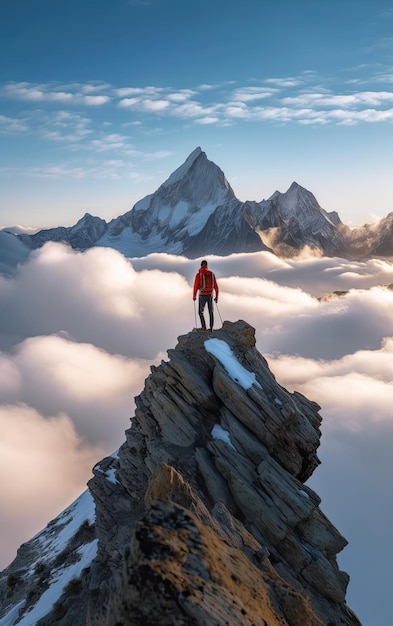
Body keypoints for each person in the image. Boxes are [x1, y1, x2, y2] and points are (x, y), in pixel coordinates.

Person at [193, 260, 219, 331]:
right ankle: (211, 328)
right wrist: (216, 297)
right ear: (207, 265)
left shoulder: (199, 274)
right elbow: (216, 286)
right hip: (210, 294)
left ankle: (204, 327)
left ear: (201, 265)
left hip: (202, 295)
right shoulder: (211, 274)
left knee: (200, 312)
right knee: (211, 311)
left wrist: (194, 296)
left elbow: (195, 286)